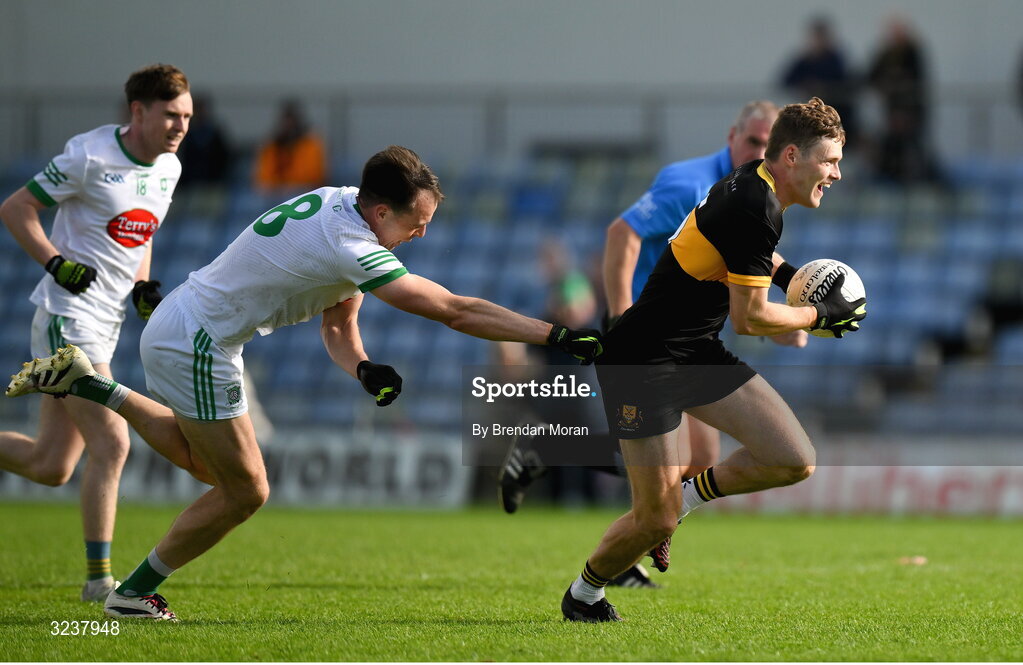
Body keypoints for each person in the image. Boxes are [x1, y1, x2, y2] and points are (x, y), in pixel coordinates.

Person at [5, 145, 603, 621]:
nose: (422, 234)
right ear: (381, 212)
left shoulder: (338, 204)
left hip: (182, 326)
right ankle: (132, 591)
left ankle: (96, 388)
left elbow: (339, 323)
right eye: (417, 223)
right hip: (201, 343)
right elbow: (453, 309)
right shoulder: (349, 243)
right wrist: (553, 335)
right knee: (246, 492)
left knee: (211, 471)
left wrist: (363, 366)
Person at [559, 98, 865, 622]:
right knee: (653, 521)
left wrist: (792, 280)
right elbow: (749, 320)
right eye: (829, 161)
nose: (837, 173)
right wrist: (817, 316)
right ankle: (584, 594)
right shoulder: (755, 204)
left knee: (793, 458)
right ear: (792, 156)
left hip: (695, 351)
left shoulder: (754, 186)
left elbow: (744, 250)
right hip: (643, 362)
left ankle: (687, 497)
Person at [498, 101, 807, 587]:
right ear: (732, 135)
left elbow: (753, 253)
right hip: (649, 339)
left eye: (768, 144)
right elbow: (622, 232)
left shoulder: (750, 189)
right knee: (671, 473)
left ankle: (621, 535)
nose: (759, 150)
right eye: (753, 140)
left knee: (696, 464)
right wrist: (619, 311)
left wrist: (790, 291)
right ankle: (557, 457)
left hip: (692, 341)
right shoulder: (689, 183)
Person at [0, 65, 192, 602]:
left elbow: (139, 234)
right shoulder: (88, 156)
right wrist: (55, 263)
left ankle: (96, 578)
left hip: (108, 321)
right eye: (172, 115)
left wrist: (144, 284)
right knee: (112, 441)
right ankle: (98, 583)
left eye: (187, 117)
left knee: (51, 465)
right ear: (139, 111)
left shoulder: (168, 168)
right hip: (68, 316)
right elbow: (16, 208)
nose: (181, 126)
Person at [866, 16, 938, 183]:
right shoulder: (886, 53)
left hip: (911, 113)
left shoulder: (913, 54)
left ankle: (922, 181)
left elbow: (917, 83)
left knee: (914, 150)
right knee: (891, 151)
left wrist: (906, 114)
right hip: (891, 113)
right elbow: (870, 77)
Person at [780, 16, 859, 149]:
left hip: (837, 112)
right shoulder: (805, 60)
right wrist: (805, 85)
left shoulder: (835, 60)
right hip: (810, 117)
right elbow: (786, 80)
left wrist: (825, 87)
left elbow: (845, 82)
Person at [253, 99, 327, 194]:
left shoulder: (311, 143)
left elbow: (315, 175)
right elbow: (263, 178)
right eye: (286, 122)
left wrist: (290, 185)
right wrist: (277, 187)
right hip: (275, 193)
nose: (289, 126)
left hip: (304, 191)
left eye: (292, 121)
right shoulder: (272, 146)